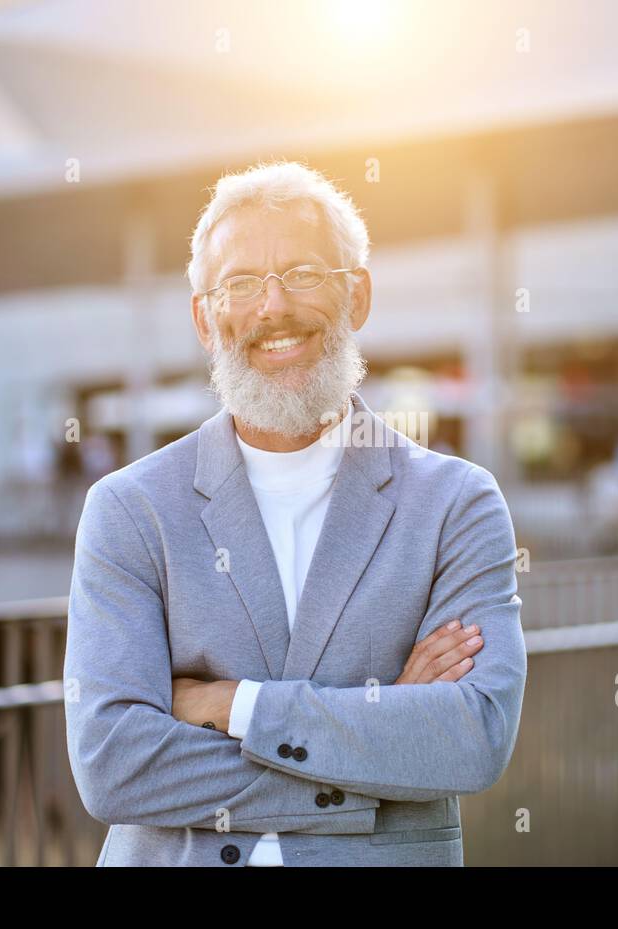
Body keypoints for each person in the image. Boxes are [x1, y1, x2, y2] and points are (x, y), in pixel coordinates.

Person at [63, 161, 527, 866]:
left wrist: (229, 705)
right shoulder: (130, 510)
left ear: (357, 297)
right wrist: (383, 737)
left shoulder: (456, 504)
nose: (273, 308)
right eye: (241, 283)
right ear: (204, 318)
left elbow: (471, 740)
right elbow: (113, 765)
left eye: (304, 275)